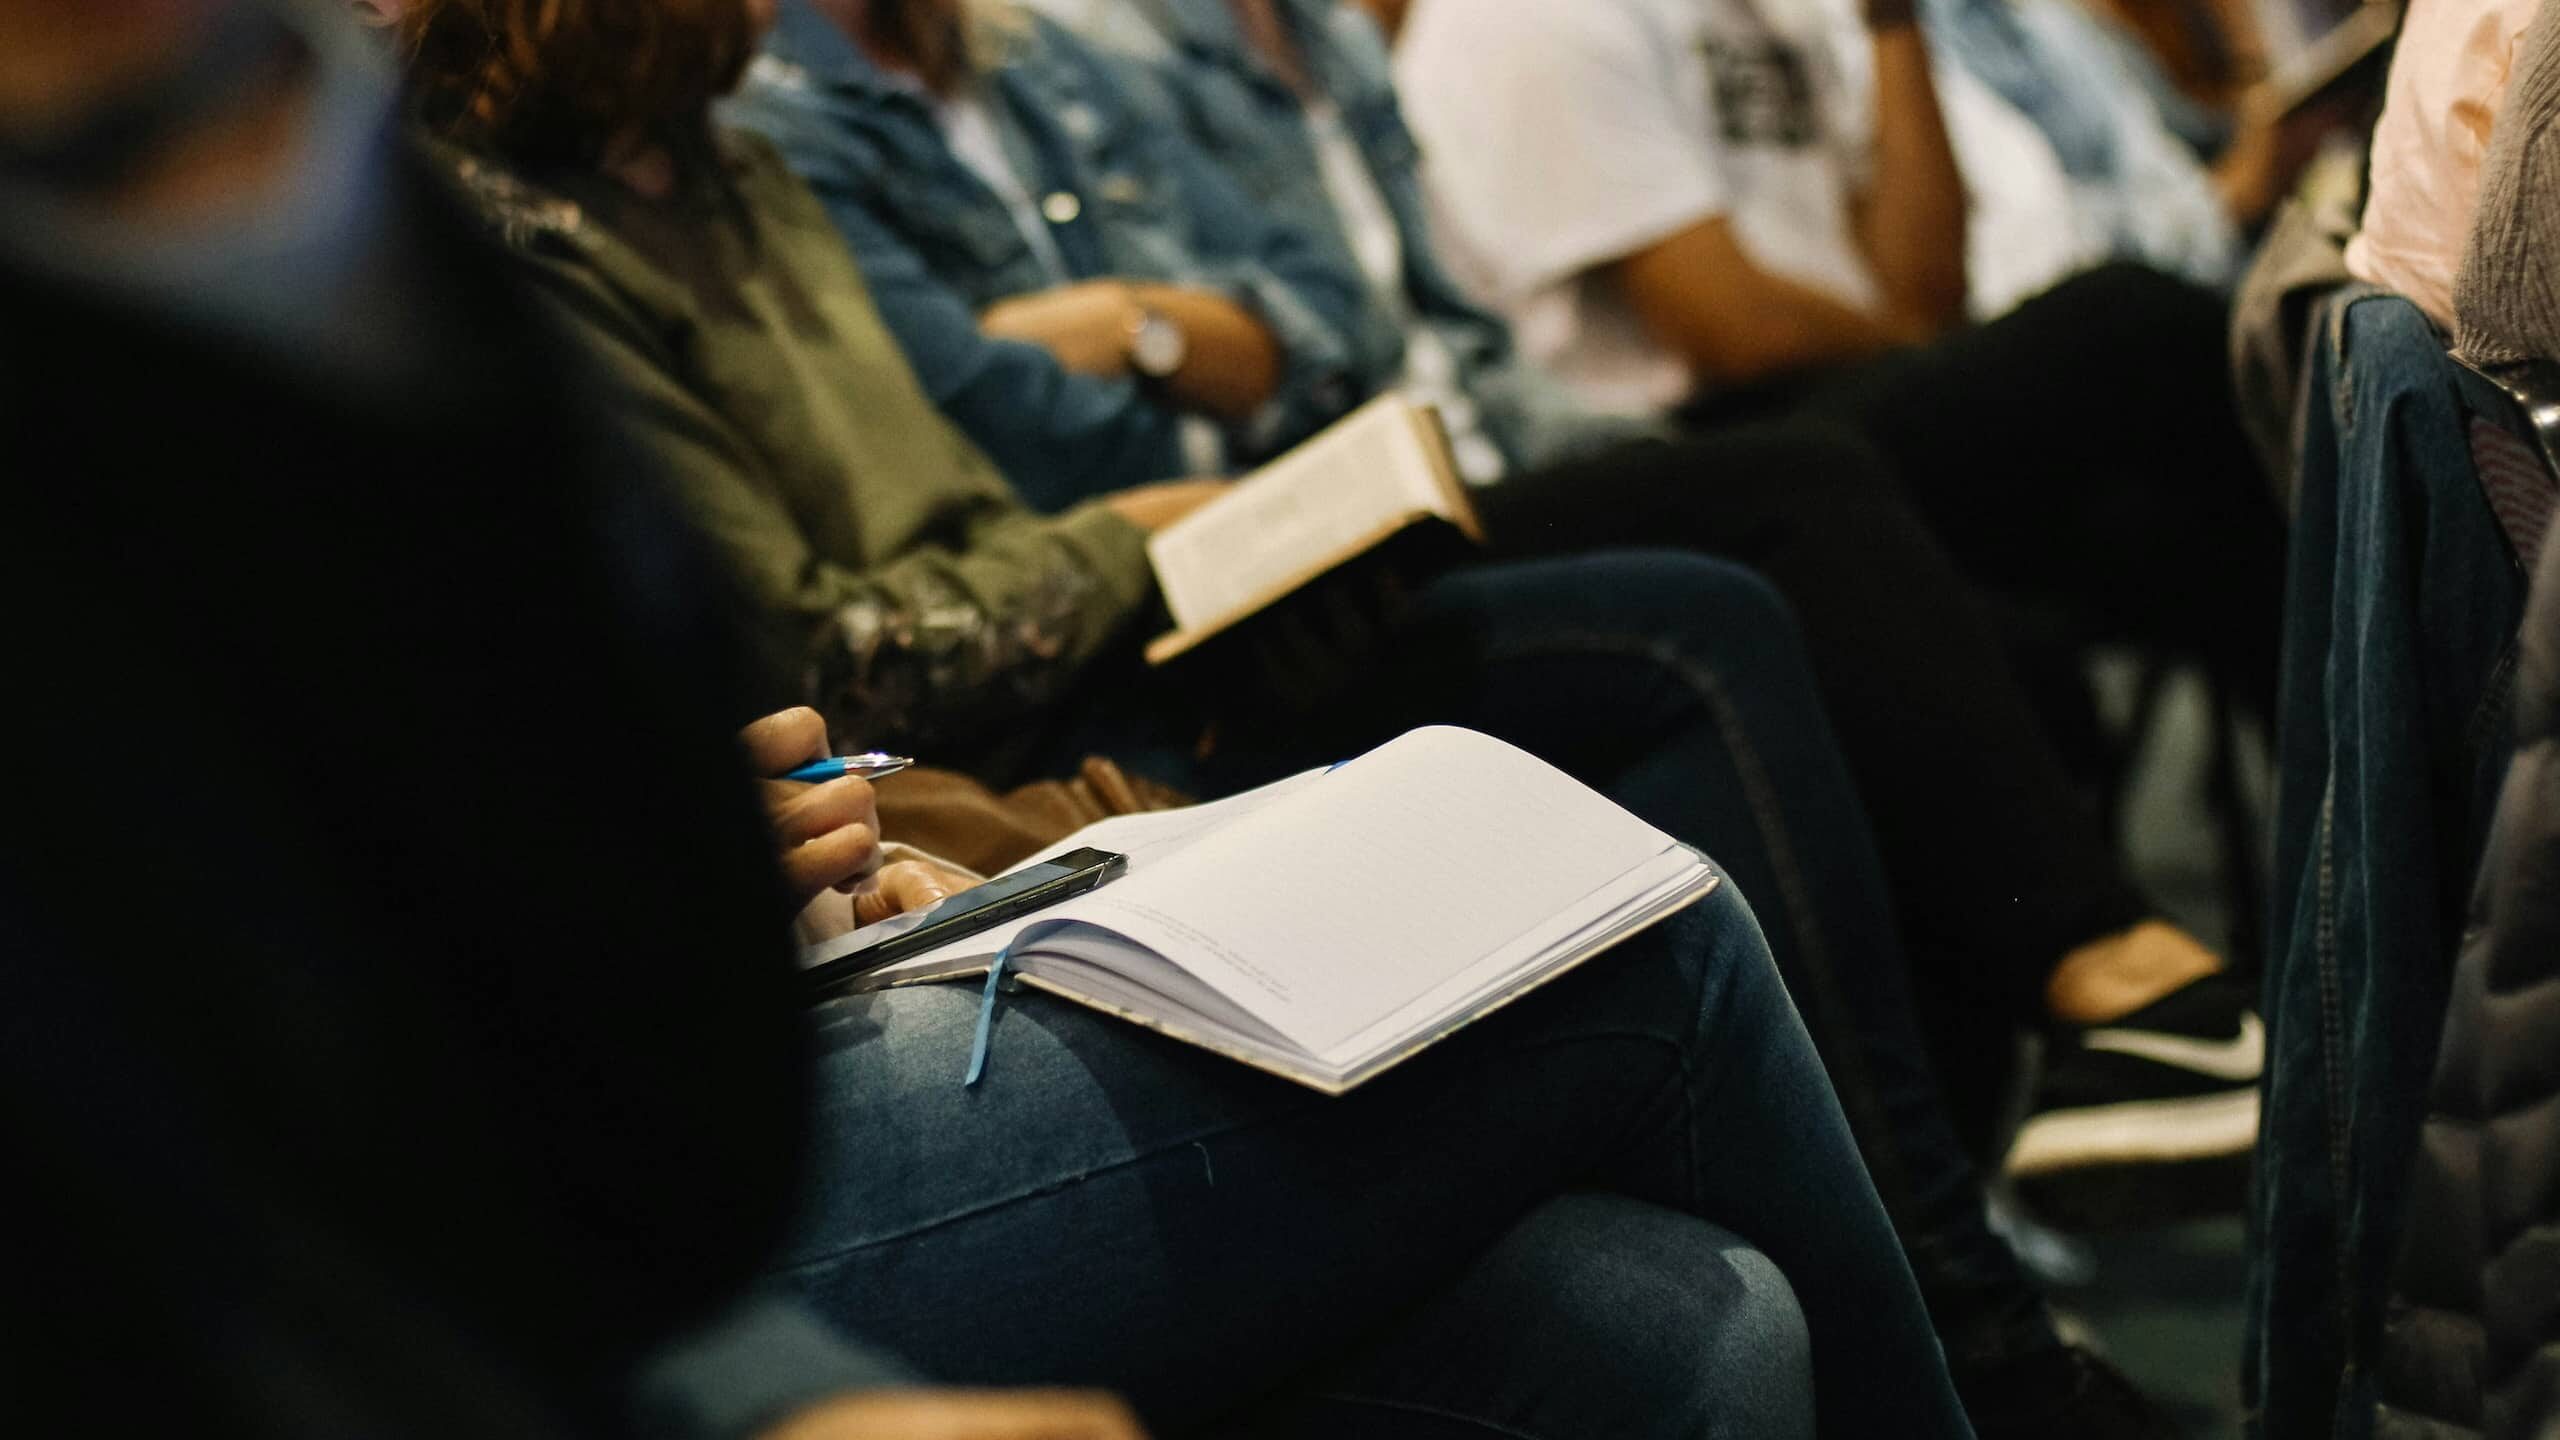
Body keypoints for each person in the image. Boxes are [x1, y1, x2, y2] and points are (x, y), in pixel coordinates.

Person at [379, 0, 2001, 1433]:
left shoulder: (746, 172)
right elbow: (849, 634)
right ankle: (2000, 1348)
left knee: (1691, 1323)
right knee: (1648, 921)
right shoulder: (492, 247)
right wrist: (1138, 524)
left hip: (825, 930)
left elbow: (1307, 337)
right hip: (641, 1136)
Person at [734, 0, 2263, 1246]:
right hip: (1174, 594)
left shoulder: (1077, 61)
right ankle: (2085, 1046)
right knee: (1799, 521)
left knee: (1952, 559)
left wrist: (1152, 331)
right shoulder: (867, 100)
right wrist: (1178, 358)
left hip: (1366, 490)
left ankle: (2099, 1097)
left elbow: (1317, 320)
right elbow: (1016, 426)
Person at [1390, 0, 2288, 732]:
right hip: (1696, 450)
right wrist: (1909, 334)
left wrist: (1893, 24)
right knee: (2127, 319)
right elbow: (1740, 333)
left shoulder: (1799, 17)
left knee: (2163, 531)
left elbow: (1930, 289)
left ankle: (2366, 835)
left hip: (1858, 395)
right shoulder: (1518, 20)